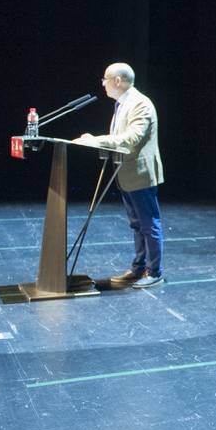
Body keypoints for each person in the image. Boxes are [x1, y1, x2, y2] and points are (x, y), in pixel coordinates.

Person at [77, 63, 165, 288]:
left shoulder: (140, 104)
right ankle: (138, 268)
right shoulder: (122, 103)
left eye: (105, 79)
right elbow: (119, 136)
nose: (103, 83)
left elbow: (131, 138)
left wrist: (95, 140)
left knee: (149, 224)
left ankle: (155, 272)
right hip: (125, 173)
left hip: (140, 174)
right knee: (137, 225)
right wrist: (95, 139)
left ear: (118, 81)